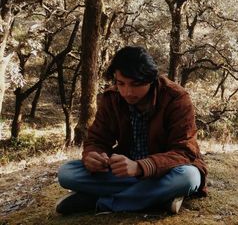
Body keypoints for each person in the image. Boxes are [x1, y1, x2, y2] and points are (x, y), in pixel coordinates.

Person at [56, 46, 207, 215]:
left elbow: (185, 151)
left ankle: (100, 202)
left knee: (188, 177)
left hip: (165, 171)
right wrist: (93, 155)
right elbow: (97, 139)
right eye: (121, 83)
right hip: (124, 171)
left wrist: (140, 167)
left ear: (150, 79)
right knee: (67, 173)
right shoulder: (111, 98)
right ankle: (158, 198)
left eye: (136, 84)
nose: (127, 92)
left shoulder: (176, 98)